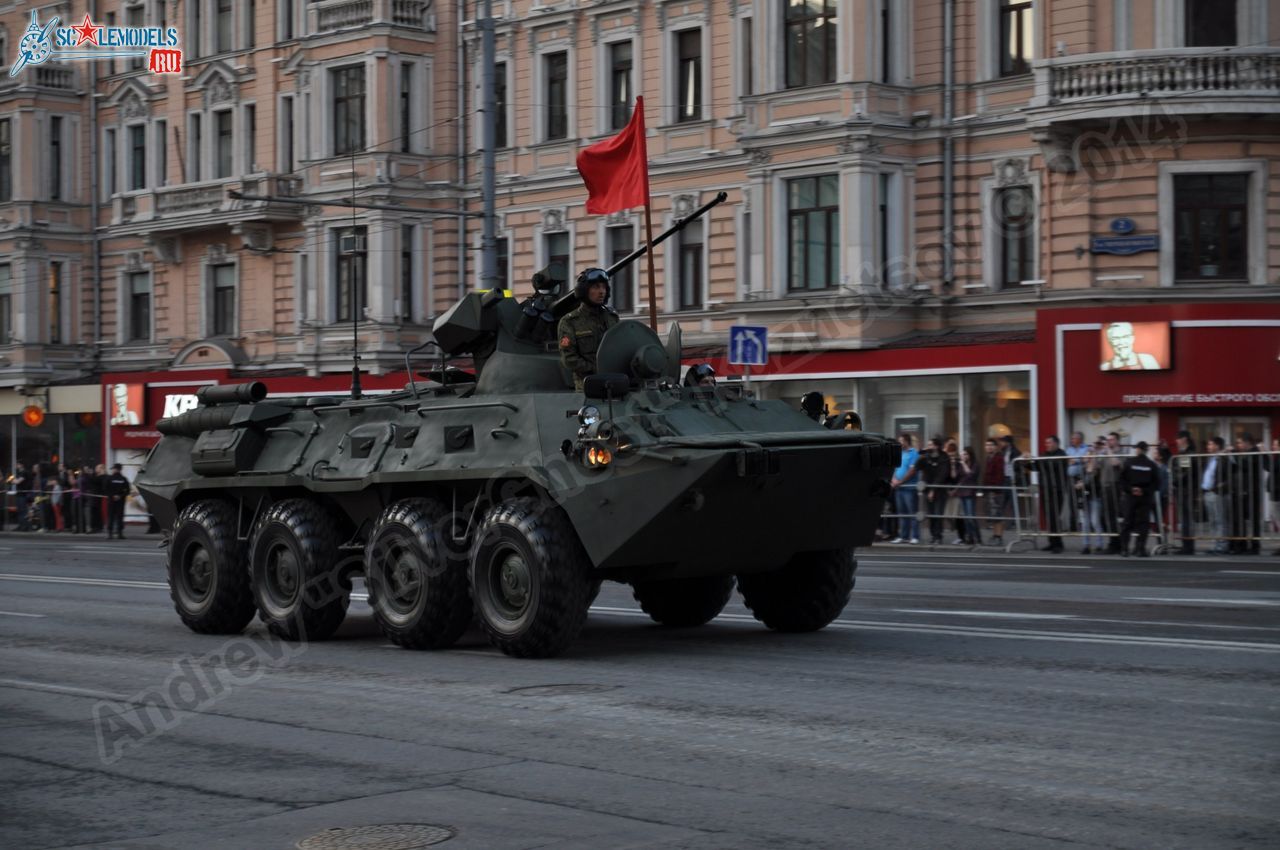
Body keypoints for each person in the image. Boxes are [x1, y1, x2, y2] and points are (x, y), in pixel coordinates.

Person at [558, 268, 619, 392]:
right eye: (596, 287)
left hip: (615, 384)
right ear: (584, 291)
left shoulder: (612, 317)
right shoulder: (570, 322)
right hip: (587, 387)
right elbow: (569, 359)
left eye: (603, 287)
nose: (601, 291)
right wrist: (595, 368)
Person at [1118, 441, 1158, 556]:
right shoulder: (1151, 465)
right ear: (1146, 450)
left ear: (1138, 450)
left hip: (1131, 496)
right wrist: (1144, 491)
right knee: (1143, 523)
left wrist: (1131, 489)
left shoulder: (1129, 462)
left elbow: (1121, 480)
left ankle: (1124, 549)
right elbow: (1156, 483)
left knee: (1127, 522)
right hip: (1145, 497)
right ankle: (1140, 549)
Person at [1229, 434, 1264, 555]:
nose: (1238, 446)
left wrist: (1233, 454)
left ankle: (1254, 546)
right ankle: (1242, 544)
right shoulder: (1244, 454)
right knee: (1240, 519)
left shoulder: (1254, 452)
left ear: (1247, 442)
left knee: (1253, 520)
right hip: (1242, 491)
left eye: (1240, 443)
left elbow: (1245, 466)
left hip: (1251, 491)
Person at [1036, 435, 1069, 553]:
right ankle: (1051, 542)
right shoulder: (1044, 455)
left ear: (1056, 443)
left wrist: (1039, 460)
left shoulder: (1062, 454)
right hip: (1045, 489)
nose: (1047, 445)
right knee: (1048, 517)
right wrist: (1026, 461)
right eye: (1046, 443)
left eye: (1049, 443)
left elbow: (1054, 465)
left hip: (1057, 490)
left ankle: (1058, 544)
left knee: (1055, 517)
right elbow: (1036, 466)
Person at [919, 437, 953, 545]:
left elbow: (942, 476)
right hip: (928, 489)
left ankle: (938, 536)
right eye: (928, 445)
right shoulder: (927, 457)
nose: (928, 447)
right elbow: (921, 469)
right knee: (931, 514)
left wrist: (933, 490)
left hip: (940, 491)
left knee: (938, 514)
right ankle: (933, 535)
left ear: (936, 446)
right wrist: (922, 453)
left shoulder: (944, 458)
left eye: (930, 445)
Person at [890, 434, 920, 544]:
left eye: (901, 441)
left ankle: (915, 536)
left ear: (907, 441)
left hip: (909, 488)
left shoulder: (914, 453)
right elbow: (894, 468)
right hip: (899, 488)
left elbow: (912, 471)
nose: (899, 443)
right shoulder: (900, 453)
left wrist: (900, 481)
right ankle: (903, 536)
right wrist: (893, 480)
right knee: (901, 513)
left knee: (912, 513)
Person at [1172, 431, 1199, 555]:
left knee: (1186, 519)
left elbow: (1185, 473)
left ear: (1184, 439)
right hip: (1185, 490)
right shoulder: (1185, 452)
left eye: (1178, 439)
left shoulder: (1188, 453)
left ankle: (1188, 546)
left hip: (1186, 490)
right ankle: (1186, 545)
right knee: (1185, 520)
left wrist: (1175, 482)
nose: (1176, 441)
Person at [1201, 437, 1228, 554]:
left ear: (1217, 446)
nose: (1208, 447)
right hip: (1207, 492)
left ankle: (1222, 546)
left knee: (1219, 520)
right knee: (1212, 520)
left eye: (1210, 444)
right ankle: (1215, 544)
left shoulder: (1223, 458)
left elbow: (1226, 475)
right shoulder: (1210, 459)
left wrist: (1219, 486)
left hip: (1217, 493)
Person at [979, 438, 1008, 546]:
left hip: (997, 491)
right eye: (987, 445)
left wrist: (996, 489)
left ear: (996, 447)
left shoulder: (999, 458)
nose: (989, 447)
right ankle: (995, 535)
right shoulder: (989, 458)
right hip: (989, 490)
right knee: (993, 514)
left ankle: (999, 536)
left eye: (991, 445)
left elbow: (999, 475)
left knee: (998, 514)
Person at [954, 447, 982, 545]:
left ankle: (978, 538)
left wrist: (963, 463)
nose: (964, 456)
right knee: (966, 517)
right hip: (962, 492)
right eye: (963, 454)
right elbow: (955, 476)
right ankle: (970, 538)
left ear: (970, 455)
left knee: (971, 516)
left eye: (966, 454)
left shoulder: (975, 464)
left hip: (970, 492)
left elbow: (970, 475)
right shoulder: (960, 465)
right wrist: (953, 465)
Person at [105, 463, 131, 539]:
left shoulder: (109, 478)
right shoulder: (124, 479)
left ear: (117, 469)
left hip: (112, 501)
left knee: (111, 516)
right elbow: (127, 491)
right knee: (119, 517)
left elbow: (106, 489)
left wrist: (112, 496)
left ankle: (110, 534)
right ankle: (120, 534)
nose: (113, 470)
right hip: (120, 501)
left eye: (113, 468)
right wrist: (120, 496)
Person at [10, 462, 30, 532]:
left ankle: (25, 526)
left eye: (17, 464)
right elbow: (15, 481)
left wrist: (12, 480)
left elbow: (18, 481)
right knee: (19, 511)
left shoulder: (24, 472)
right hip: (19, 494)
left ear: (21, 465)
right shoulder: (19, 473)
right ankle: (20, 525)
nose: (16, 466)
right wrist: (13, 481)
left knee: (23, 511)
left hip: (23, 494)